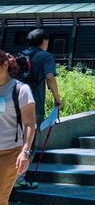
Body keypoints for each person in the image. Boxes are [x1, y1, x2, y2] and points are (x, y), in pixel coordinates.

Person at [0, 50, 36, 205]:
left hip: (10, 152)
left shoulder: (20, 90)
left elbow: (29, 123)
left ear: (4, 65)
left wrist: (25, 151)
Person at [14, 29, 63, 189]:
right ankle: (19, 178)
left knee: (13, 140)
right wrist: (57, 98)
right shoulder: (45, 56)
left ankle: (9, 177)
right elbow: (50, 77)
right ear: (45, 41)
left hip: (14, 104)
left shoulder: (20, 55)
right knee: (29, 142)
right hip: (34, 105)